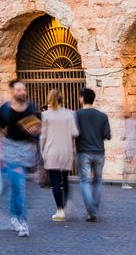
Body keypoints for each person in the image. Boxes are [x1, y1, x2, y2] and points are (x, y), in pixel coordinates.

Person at [0, 80, 41, 237]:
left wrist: (35, 130)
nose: (22, 92)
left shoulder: (32, 108)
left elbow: (39, 128)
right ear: (12, 92)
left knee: (18, 187)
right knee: (19, 185)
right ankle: (22, 222)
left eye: (23, 89)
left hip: (27, 150)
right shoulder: (5, 110)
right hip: (11, 149)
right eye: (19, 89)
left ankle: (14, 216)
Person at [40, 89, 78, 222]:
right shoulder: (70, 114)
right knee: (65, 179)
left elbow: (43, 136)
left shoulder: (45, 115)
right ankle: (65, 205)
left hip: (52, 151)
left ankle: (60, 209)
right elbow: (75, 133)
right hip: (66, 150)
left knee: (55, 180)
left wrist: (41, 150)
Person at [75, 88, 111, 221]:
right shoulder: (103, 116)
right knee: (98, 182)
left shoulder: (76, 115)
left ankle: (92, 211)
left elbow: (74, 133)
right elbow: (107, 135)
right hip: (99, 152)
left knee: (84, 181)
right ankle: (93, 211)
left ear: (82, 98)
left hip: (83, 152)